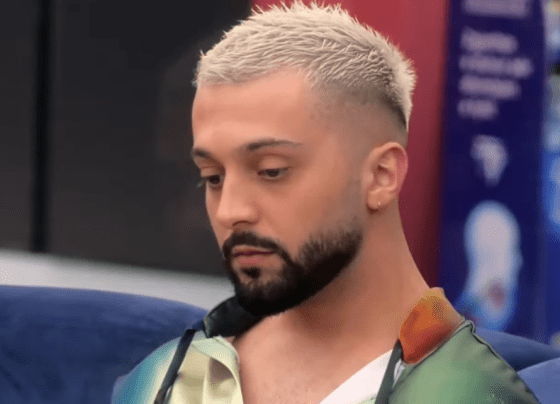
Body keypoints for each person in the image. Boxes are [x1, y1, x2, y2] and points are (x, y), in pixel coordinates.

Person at [112, 2, 539, 403]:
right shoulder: (164, 379)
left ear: (381, 176)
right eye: (213, 177)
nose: (230, 211)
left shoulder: (470, 391)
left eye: (272, 171)